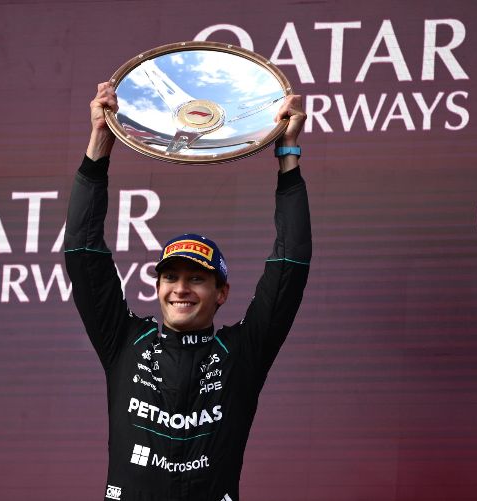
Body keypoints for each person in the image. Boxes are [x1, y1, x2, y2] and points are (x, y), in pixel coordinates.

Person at [64, 82, 311, 501]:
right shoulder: (124, 342)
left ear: (221, 293)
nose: (181, 289)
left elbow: (290, 264)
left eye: (197, 278)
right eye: (171, 277)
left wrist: (288, 153)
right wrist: (100, 142)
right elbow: (82, 251)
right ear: (158, 286)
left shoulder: (241, 353)